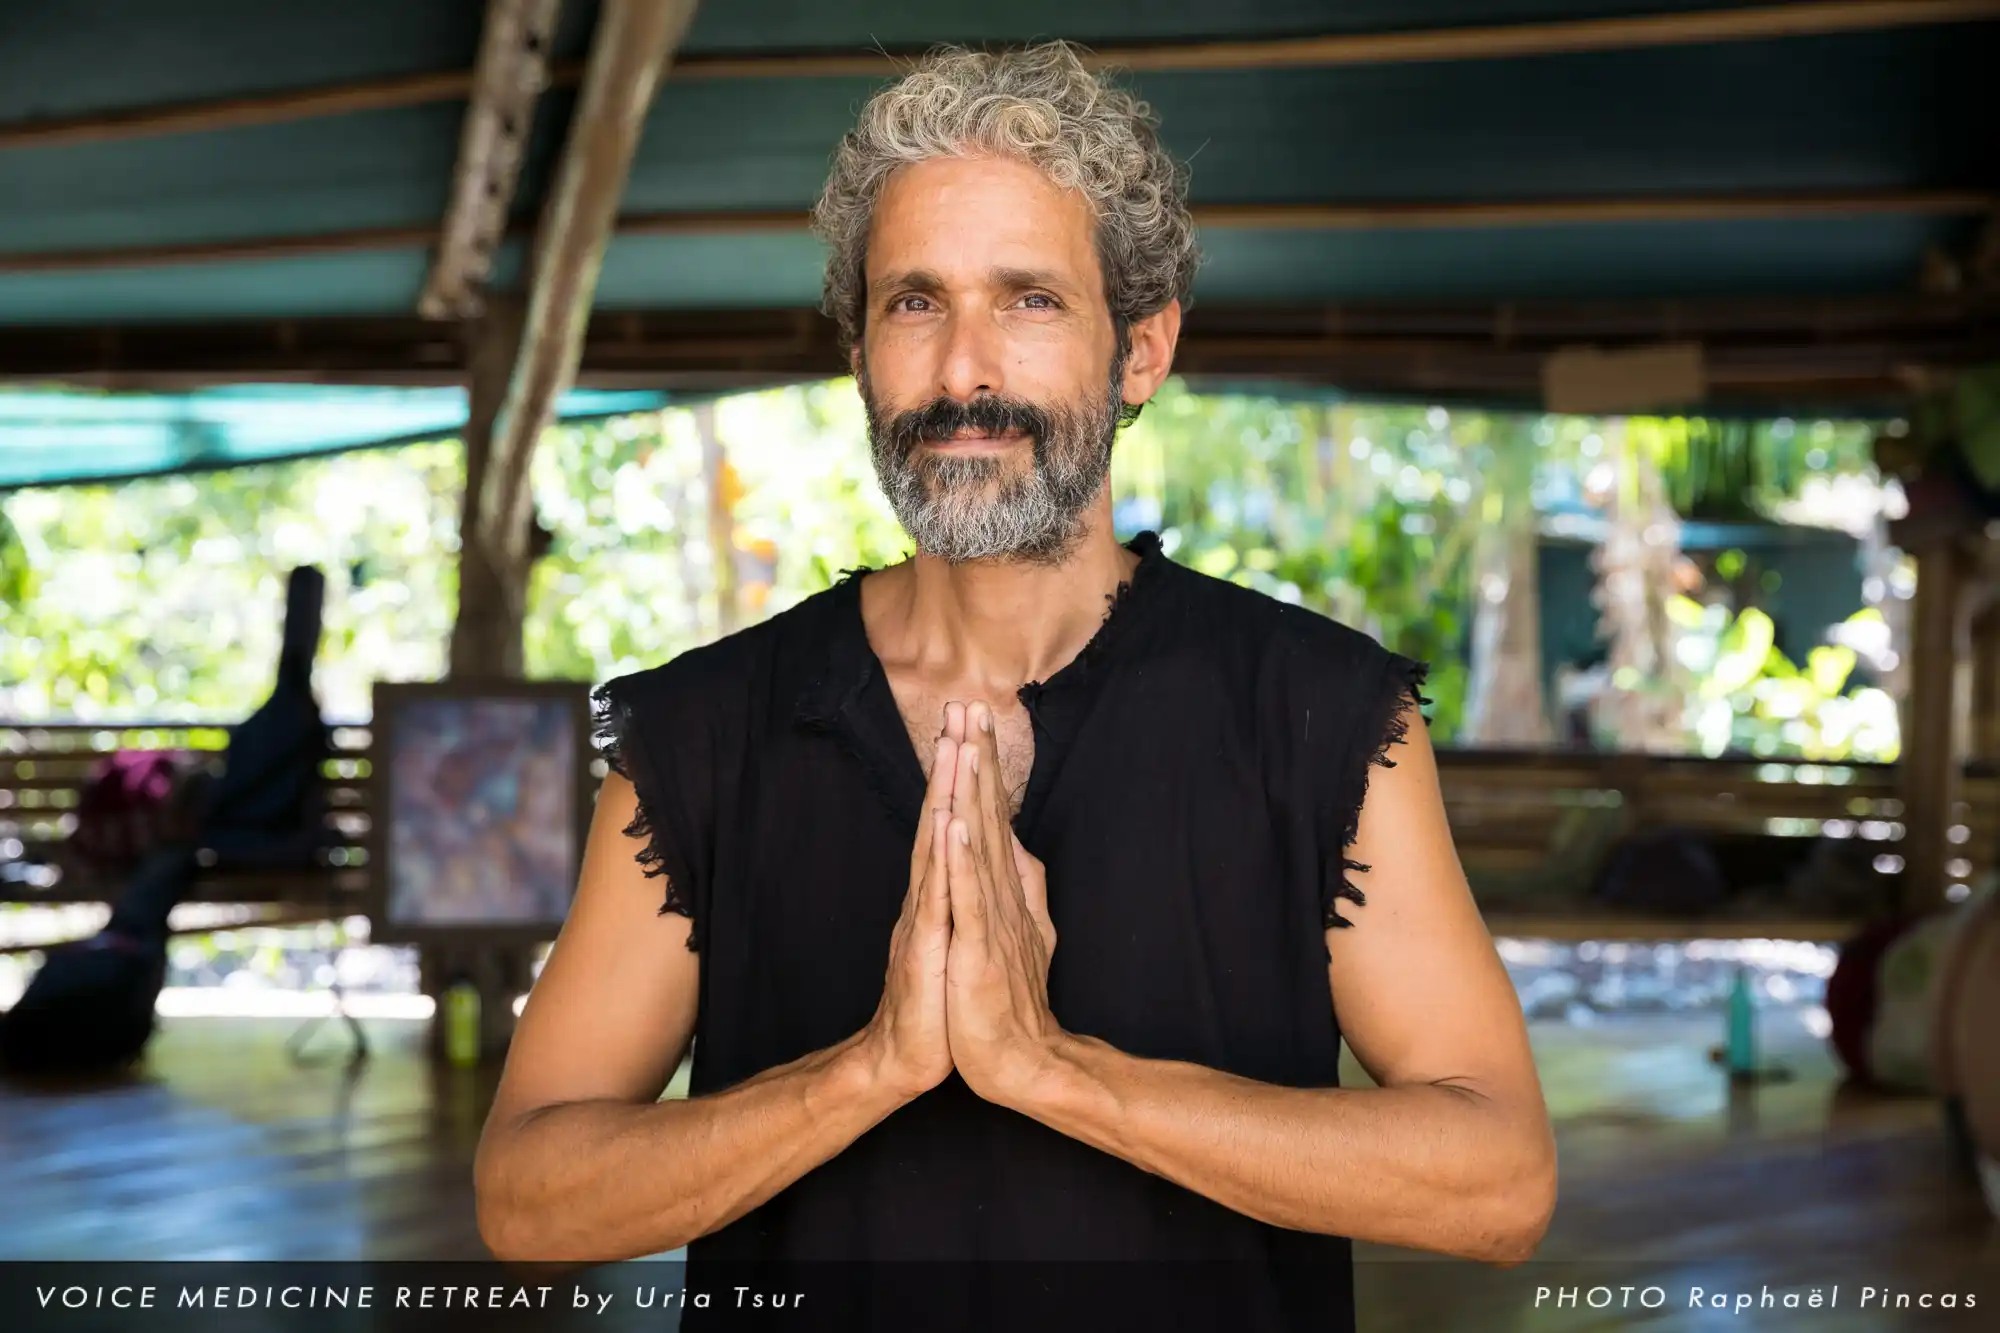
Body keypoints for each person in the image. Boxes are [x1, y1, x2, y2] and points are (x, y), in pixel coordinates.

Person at [474, 41, 1554, 1331]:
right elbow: (527, 1201)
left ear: (1140, 350)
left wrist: (1053, 1073)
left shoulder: (1318, 717)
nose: (962, 372)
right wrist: (872, 1069)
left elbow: (1499, 1184)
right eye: (913, 304)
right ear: (860, 351)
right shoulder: (706, 735)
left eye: (1029, 300)